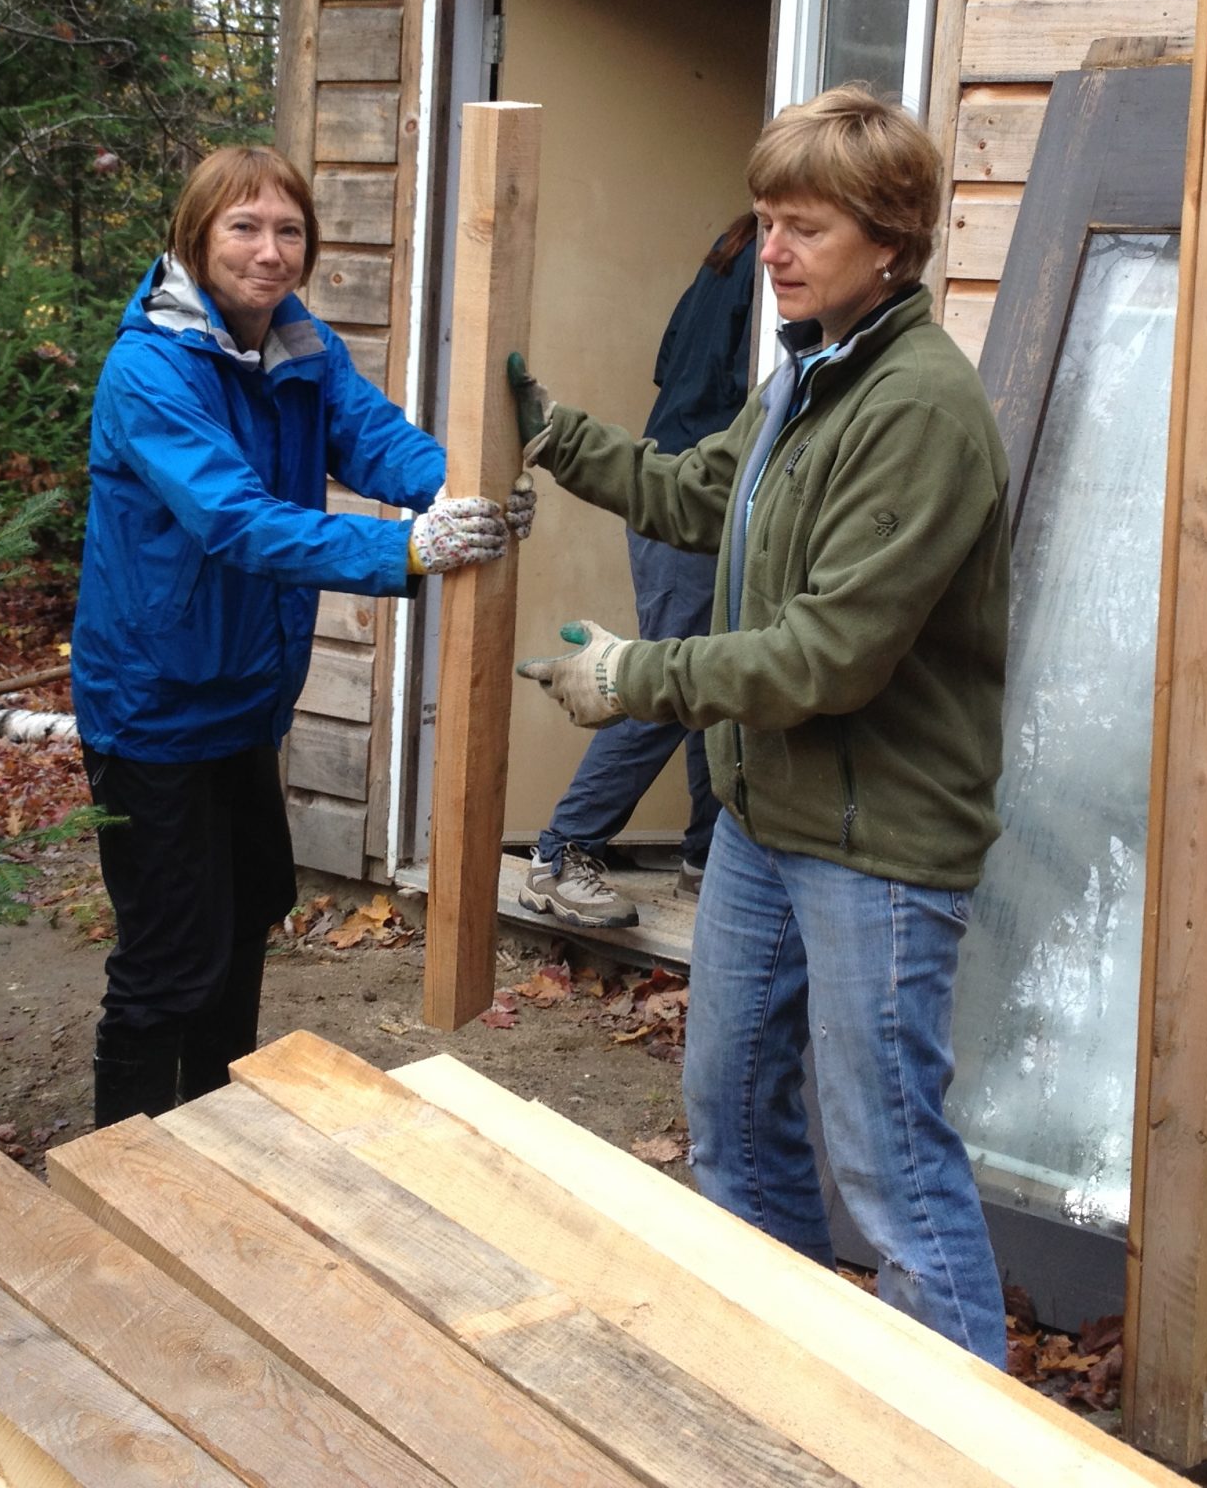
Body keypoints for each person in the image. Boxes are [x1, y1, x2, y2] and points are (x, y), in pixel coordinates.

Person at [511, 87, 1012, 1363]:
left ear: (889, 243)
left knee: (892, 1168)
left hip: (877, 847)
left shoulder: (917, 410)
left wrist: (635, 678)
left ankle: (955, 1448)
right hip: (763, 825)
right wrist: (550, 435)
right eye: (764, 222)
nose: (771, 253)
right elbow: (691, 495)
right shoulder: (805, 379)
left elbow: (830, 657)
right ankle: (792, 1388)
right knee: (732, 1124)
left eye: (802, 227)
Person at [71, 146, 528, 1127]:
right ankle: (125, 1166)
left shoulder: (295, 343)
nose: (269, 251)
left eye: (288, 230)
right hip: (152, 707)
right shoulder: (149, 370)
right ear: (195, 238)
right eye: (244, 227)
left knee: (245, 915)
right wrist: (408, 549)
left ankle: (214, 1130)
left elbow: (370, 436)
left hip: (242, 698)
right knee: (165, 958)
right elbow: (233, 520)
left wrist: (454, 489)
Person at [521, 212, 758, 928]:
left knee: (705, 680)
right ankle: (562, 854)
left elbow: (669, 366)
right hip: (698, 499)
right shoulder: (763, 272)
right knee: (666, 683)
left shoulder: (728, 256)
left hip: (674, 483)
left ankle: (707, 854)